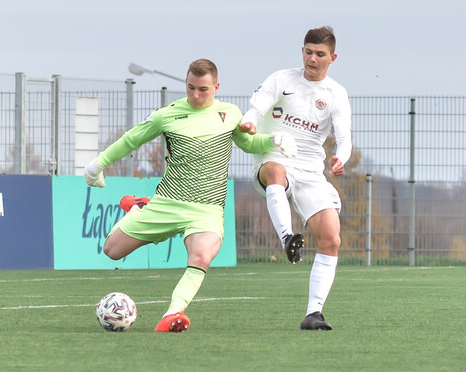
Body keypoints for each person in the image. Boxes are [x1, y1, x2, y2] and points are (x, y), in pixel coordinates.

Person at [84, 58, 295, 333]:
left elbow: (247, 143)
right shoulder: (167, 114)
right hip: (167, 203)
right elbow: (131, 140)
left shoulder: (230, 114)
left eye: (203, 89)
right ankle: (136, 208)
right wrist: (98, 163)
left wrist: (273, 140)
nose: (196, 95)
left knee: (201, 257)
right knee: (112, 251)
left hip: (206, 210)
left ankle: (172, 314)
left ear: (216, 87)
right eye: (191, 88)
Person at [238, 26, 352, 331]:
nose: (311, 59)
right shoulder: (282, 79)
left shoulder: (336, 94)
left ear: (332, 57)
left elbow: (344, 138)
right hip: (274, 156)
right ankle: (288, 237)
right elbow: (255, 109)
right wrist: (249, 123)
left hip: (311, 171)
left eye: (319, 54)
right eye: (307, 51)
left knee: (331, 238)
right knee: (276, 172)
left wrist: (342, 157)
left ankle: (314, 313)